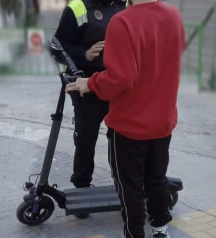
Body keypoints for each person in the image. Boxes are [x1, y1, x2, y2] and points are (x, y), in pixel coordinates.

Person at [66, 0, 185, 237]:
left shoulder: (123, 21)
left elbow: (121, 78)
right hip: (163, 121)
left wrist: (89, 83)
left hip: (130, 126)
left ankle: (134, 233)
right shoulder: (174, 17)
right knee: (156, 179)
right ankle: (161, 229)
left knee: (130, 188)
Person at [53, 0, 127, 219]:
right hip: (87, 87)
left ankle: (126, 187)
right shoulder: (79, 7)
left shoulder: (126, 5)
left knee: (122, 139)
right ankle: (82, 188)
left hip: (117, 85)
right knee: (85, 140)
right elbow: (58, 46)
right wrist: (85, 54)